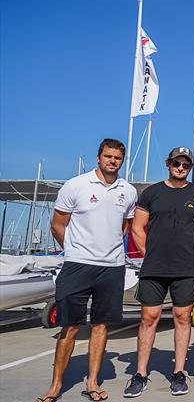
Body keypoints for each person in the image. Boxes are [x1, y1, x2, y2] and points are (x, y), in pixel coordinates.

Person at [37, 138, 138, 402]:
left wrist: (110, 249)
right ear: (98, 157)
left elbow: (125, 227)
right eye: (107, 156)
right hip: (78, 265)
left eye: (117, 158)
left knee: (101, 325)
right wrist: (73, 251)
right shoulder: (76, 185)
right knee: (69, 327)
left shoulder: (128, 191)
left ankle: (92, 382)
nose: (112, 161)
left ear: (122, 160)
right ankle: (56, 384)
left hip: (112, 267)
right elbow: (58, 224)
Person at [123, 146, 194, 397]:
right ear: (168, 163)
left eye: (186, 165)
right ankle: (140, 374)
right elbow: (137, 228)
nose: (181, 168)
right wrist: (150, 254)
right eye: (177, 163)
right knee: (148, 318)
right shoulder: (151, 193)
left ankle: (179, 372)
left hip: (186, 267)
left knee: (182, 318)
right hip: (154, 267)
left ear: (190, 167)